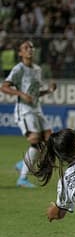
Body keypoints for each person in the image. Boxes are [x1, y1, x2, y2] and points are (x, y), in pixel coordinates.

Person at [0, 40, 57, 188]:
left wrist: (49, 91)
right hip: (24, 110)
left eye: (31, 47)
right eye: (26, 48)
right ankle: (22, 179)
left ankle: (23, 163)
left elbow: (35, 92)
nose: (30, 49)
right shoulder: (19, 69)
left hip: (37, 109)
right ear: (20, 53)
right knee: (36, 142)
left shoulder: (37, 69)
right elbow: (4, 87)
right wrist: (20, 93)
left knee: (50, 140)